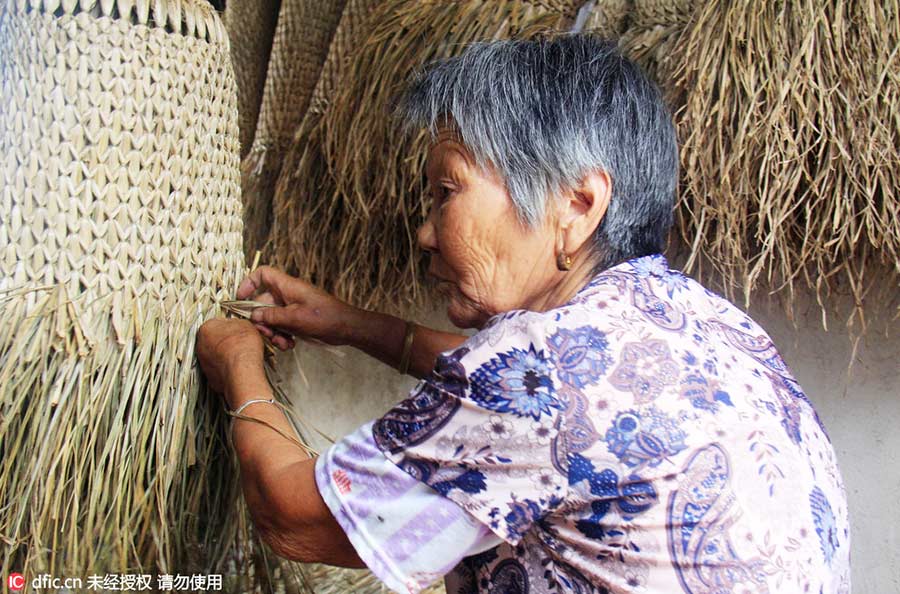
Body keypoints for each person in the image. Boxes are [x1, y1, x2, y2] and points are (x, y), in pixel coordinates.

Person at [196, 35, 850, 594]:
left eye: (446, 191)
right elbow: (555, 406)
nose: (425, 233)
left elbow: (296, 518)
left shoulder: (541, 368)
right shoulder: (713, 327)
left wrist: (239, 366)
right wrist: (351, 325)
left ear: (577, 205)